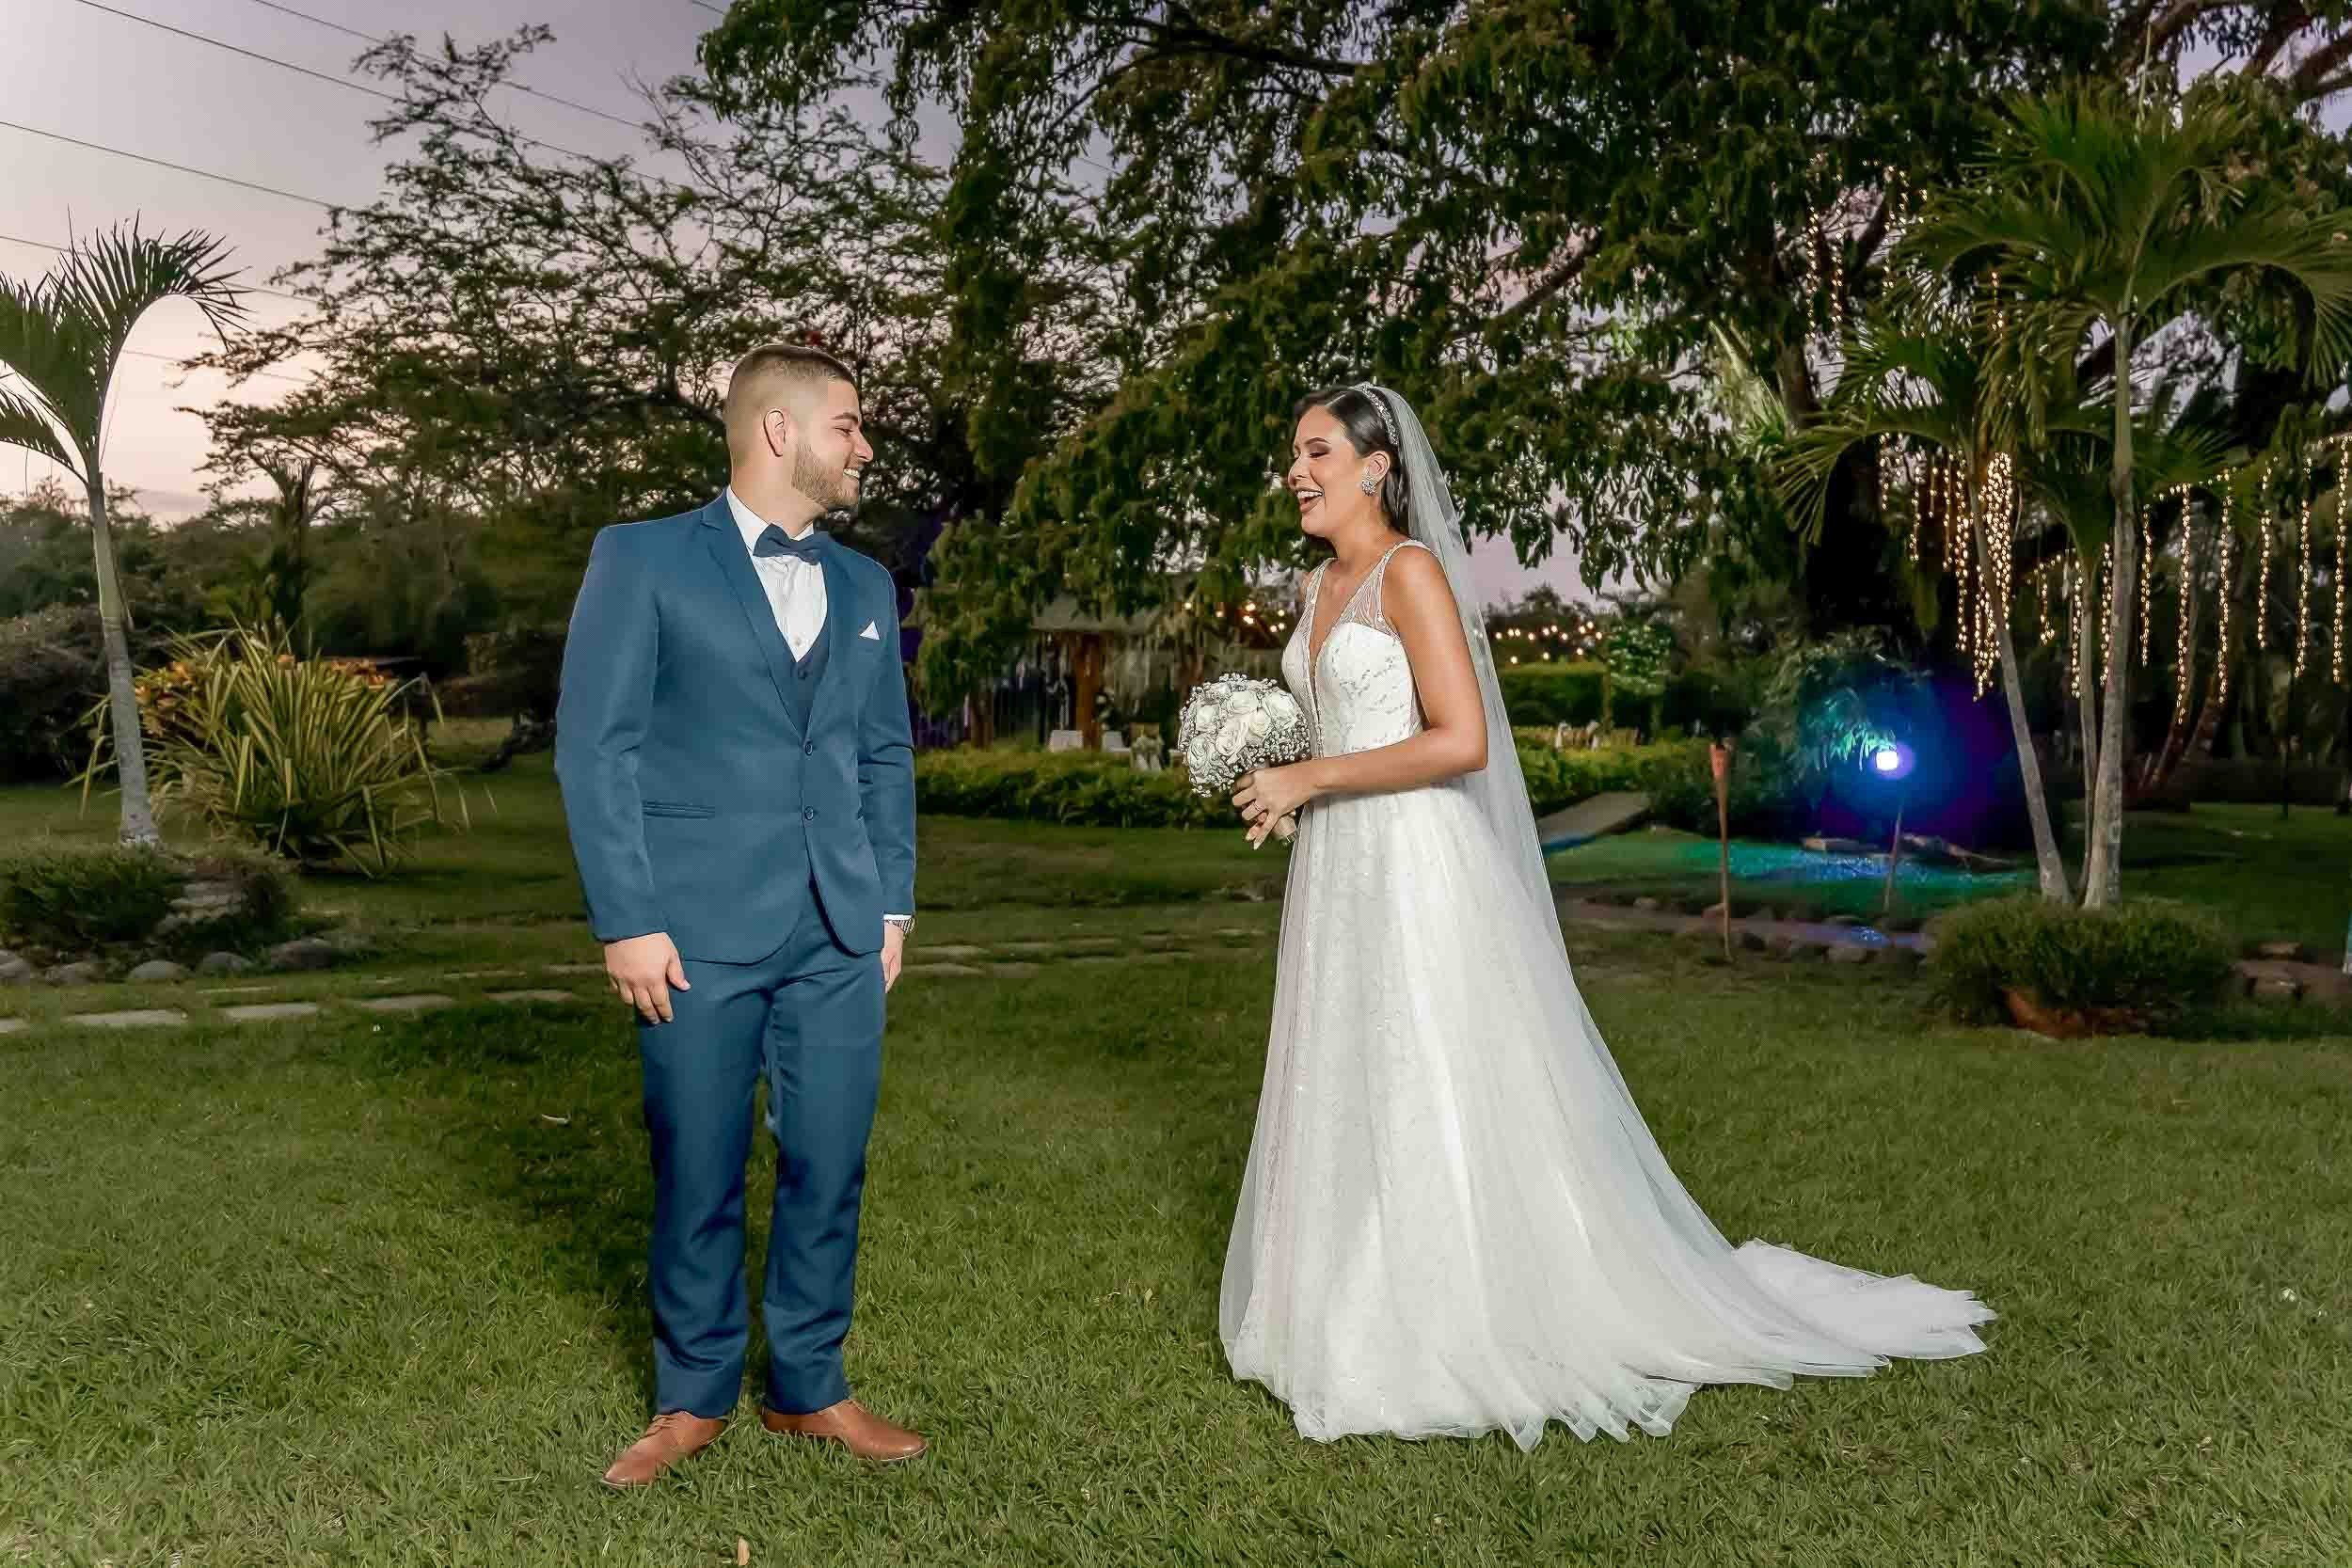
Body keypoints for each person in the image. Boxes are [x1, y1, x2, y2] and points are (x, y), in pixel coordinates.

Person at [1221, 382, 1994, 1449]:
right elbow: (1342, 724)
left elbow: (1460, 739)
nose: (1296, 472)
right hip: (1340, 867)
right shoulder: (1317, 584)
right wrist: (1277, 774)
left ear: (1375, 466)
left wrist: (1312, 776)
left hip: (1415, 862)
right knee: (1344, 1064)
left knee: (1423, 1067)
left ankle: (1446, 1310)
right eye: (1291, 453)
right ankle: (1334, 1299)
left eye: (1314, 450)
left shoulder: (1410, 573)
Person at [554, 343, 922, 1486]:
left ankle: (809, 1385)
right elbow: (595, 745)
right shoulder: (643, 557)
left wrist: (894, 898)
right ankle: (694, 1390)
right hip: (694, 928)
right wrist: (627, 917)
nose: (864, 446)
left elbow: (883, 752)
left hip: (839, 927)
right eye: (850, 425)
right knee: (697, 1161)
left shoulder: (864, 584)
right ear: (780, 431)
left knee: (830, 1157)